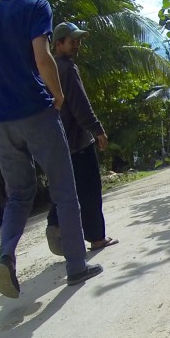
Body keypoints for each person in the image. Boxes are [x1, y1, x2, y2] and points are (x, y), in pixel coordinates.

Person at [0, 0, 103, 299]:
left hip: (2, 124)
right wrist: (58, 96)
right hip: (37, 112)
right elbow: (42, 58)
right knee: (64, 190)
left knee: (17, 194)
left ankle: (6, 256)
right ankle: (77, 265)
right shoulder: (35, 6)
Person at [45, 22, 117, 254]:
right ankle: (96, 238)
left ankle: (54, 225)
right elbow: (80, 105)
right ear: (58, 43)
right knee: (90, 188)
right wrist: (97, 130)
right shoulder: (66, 67)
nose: (76, 45)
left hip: (57, 140)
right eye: (71, 41)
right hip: (77, 139)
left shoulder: (48, 68)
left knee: (66, 187)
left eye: (78, 41)